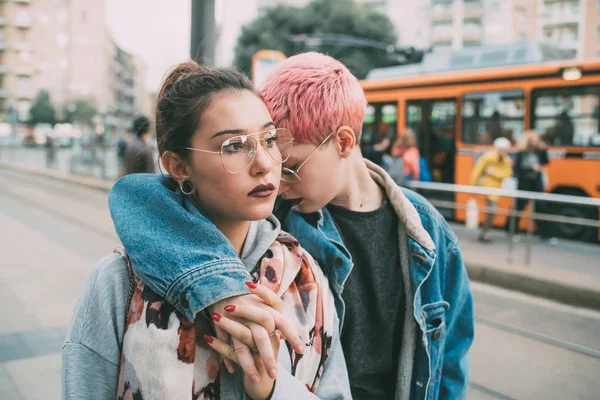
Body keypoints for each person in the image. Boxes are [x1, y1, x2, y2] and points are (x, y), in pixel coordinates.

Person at [108, 52, 474, 399]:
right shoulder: (275, 216)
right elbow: (137, 197)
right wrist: (218, 284)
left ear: (344, 142)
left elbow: (452, 362)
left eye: (290, 164)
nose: (275, 178)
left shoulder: (425, 230)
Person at [62, 62, 351, 399]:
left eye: (269, 139)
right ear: (179, 167)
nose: (263, 163)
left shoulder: (304, 275)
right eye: (234, 146)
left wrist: (272, 388)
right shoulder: (119, 283)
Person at [512, 130, 556, 243]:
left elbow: (546, 161)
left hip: (536, 184)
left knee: (540, 208)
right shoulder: (522, 152)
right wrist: (531, 168)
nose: (536, 141)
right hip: (524, 183)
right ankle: (513, 231)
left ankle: (545, 235)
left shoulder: (539, 151)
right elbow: (516, 169)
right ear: (528, 140)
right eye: (534, 139)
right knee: (519, 208)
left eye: (537, 139)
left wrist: (543, 149)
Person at [470, 137, 513, 243]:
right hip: (487, 187)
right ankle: (485, 233)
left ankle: (485, 232)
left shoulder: (506, 160)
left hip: (497, 188)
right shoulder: (488, 156)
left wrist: (494, 173)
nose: (505, 152)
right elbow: (477, 170)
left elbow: (507, 173)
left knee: (492, 211)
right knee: (492, 209)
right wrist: (473, 185)